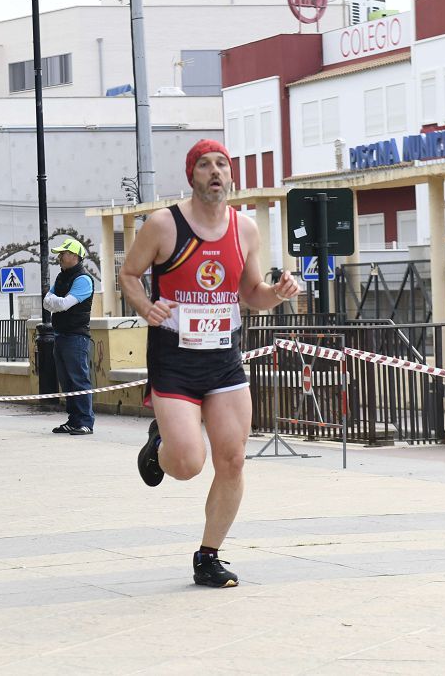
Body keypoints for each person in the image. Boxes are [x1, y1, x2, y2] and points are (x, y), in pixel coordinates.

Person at [118, 139, 300, 588]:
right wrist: (146, 307)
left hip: (224, 360)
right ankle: (160, 445)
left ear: (231, 175)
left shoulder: (246, 230)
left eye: (222, 164)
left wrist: (277, 295)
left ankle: (208, 556)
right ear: (191, 175)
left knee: (233, 460)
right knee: (187, 464)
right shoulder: (164, 224)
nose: (215, 171)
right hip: (174, 360)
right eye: (204, 165)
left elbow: (251, 293)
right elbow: (129, 274)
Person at [43, 238, 96, 436]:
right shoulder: (62, 277)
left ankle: (85, 422)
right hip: (61, 334)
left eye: (62, 254)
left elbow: (64, 304)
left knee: (78, 379)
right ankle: (73, 420)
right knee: (66, 380)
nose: (59, 257)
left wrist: (55, 302)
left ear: (74, 256)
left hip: (76, 336)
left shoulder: (83, 279)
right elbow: (46, 301)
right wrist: (56, 302)